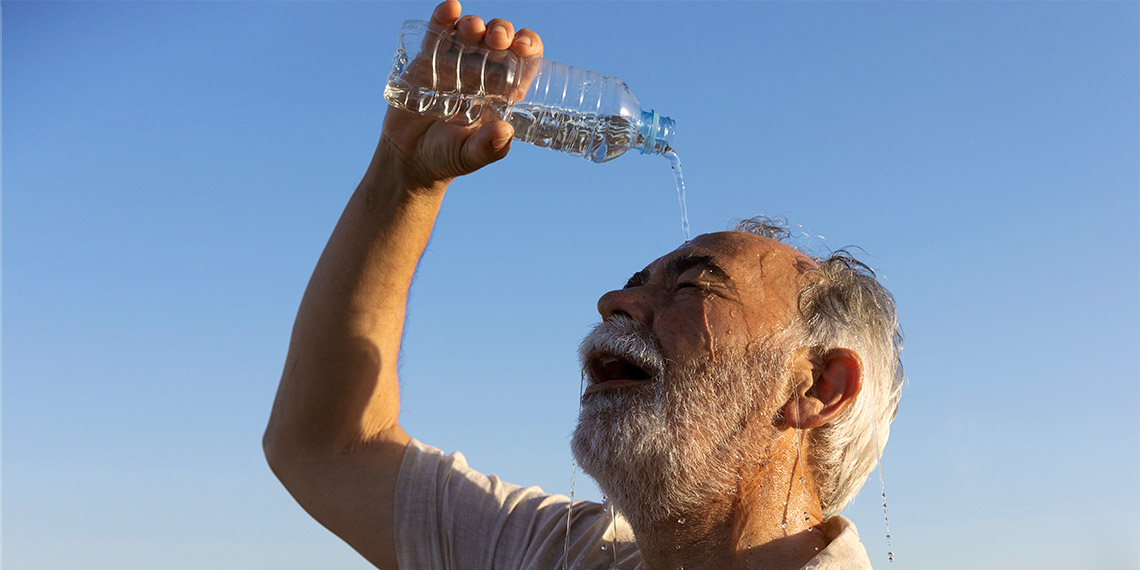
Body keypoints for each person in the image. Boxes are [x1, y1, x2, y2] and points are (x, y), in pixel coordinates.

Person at [263, 2, 904, 568]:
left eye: (694, 286)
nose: (615, 303)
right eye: (634, 282)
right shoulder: (562, 554)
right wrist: (402, 177)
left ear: (820, 387)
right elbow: (328, 442)